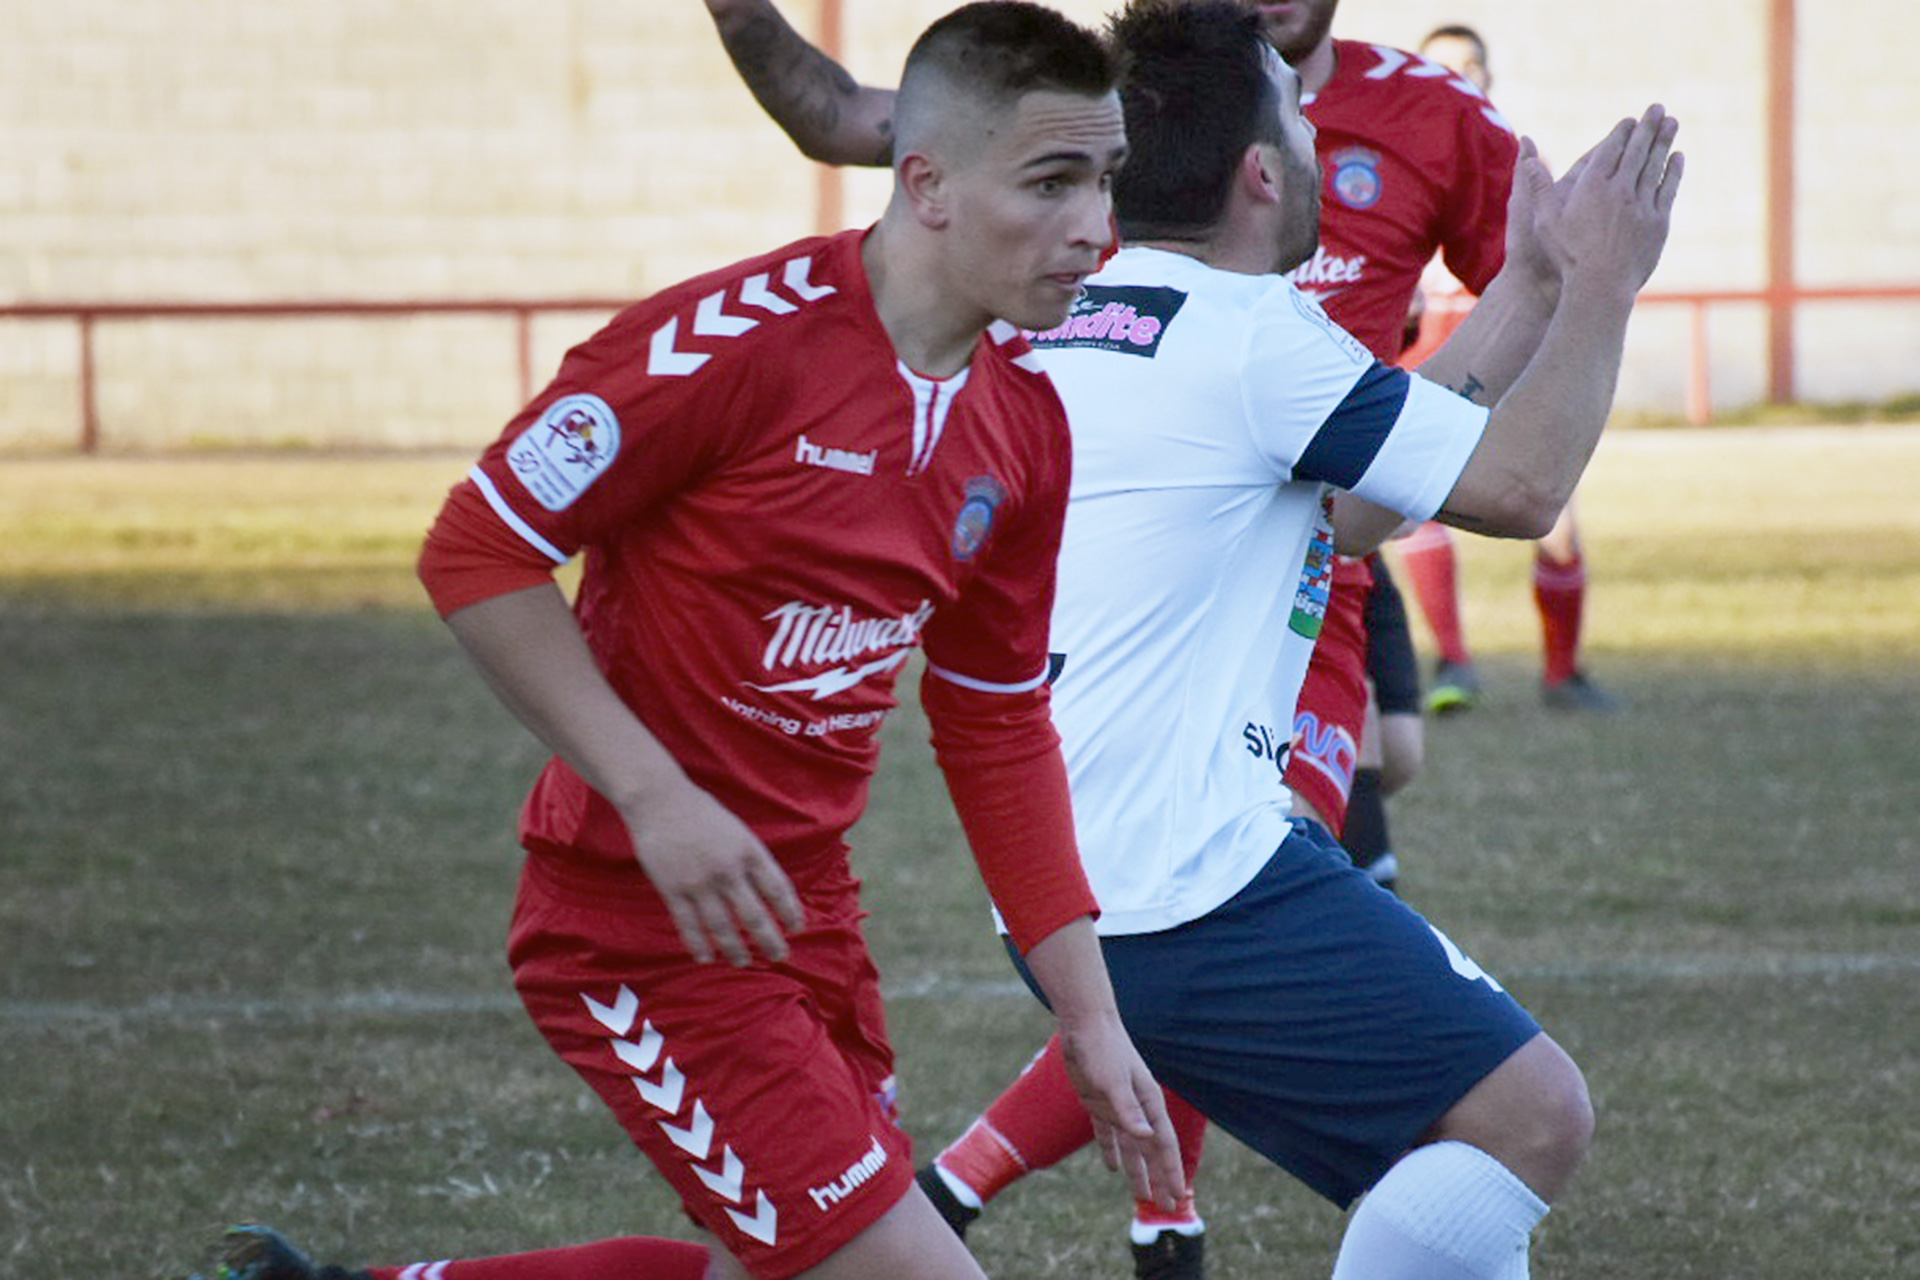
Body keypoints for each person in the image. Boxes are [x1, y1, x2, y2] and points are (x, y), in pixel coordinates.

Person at [186, 7, 1184, 1280]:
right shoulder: (734, 345)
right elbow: (478, 548)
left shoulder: (1025, 425)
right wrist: (655, 793)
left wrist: (1089, 1018)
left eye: (1105, 182)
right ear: (924, 184)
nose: (1094, 227)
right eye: (1051, 183)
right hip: (638, 927)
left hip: (804, 916)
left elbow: (995, 723)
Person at [695, 0, 1565, 1273]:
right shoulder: (1244, 322)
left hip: (1068, 861)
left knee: (1450, 1149)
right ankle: (1071, 1192)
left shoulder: (1068, 304)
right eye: (1298, 124)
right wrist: (1594, 279)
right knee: (1524, 1119)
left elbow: (1360, 502)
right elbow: (1521, 489)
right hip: (1175, 860)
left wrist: (1535, 287)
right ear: (1264, 168)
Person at [1393, 22, 1624, 715]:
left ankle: (1562, 673)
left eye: (1472, 64)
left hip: (1518, 350)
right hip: (1435, 347)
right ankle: (1453, 662)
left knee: (1554, 515)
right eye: (1443, 66)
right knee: (1413, 502)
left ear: (1491, 76)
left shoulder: (1520, 162)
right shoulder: (1398, 162)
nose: (1461, 76)